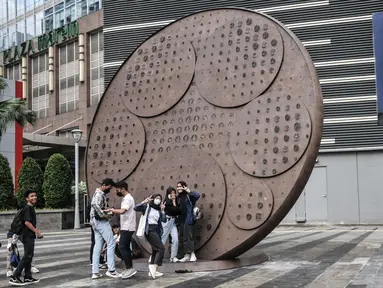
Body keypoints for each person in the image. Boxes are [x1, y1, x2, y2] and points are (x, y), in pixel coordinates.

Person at [9, 190, 42, 286]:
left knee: (29, 255)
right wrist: (37, 232)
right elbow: (27, 222)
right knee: (27, 256)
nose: (34, 197)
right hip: (27, 235)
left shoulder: (30, 208)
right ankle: (15, 276)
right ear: (27, 198)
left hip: (28, 235)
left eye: (35, 195)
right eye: (31, 196)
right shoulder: (28, 208)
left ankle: (27, 277)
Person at [105, 181, 137, 279]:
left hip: (128, 227)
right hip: (126, 226)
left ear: (123, 188)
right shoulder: (126, 198)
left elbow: (123, 211)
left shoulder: (128, 199)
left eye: (117, 189)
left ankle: (130, 268)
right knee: (124, 247)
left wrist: (112, 210)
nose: (117, 191)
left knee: (123, 246)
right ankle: (128, 268)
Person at [90, 178, 121, 280]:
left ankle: (95, 272)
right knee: (111, 242)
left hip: (95, 223)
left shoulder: (98, 194)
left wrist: (104, 211)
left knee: (97, 246)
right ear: (104, 185)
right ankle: (111, 270)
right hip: (101, 222)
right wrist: (104, 215)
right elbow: (95, 204)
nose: (109, 189)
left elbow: (96, 206)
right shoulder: (99, 194)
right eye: (109, 187)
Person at [134, 194, 166, 279]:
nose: (158, 200)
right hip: (149, 230)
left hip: (156, 230)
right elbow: (135, 208)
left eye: (159, 199)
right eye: (156, 198)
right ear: (153, 199)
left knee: (155, 249)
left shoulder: (158, 210)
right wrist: (144, 202)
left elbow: (164, 220)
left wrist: (163, 210)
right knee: (161, 248)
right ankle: (154, 266)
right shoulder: (147, 207)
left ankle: (153, 270)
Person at [175, 181, 200, 262]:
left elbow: (197, 195)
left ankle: (193, 254)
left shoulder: (189, 196)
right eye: (178, 186)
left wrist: (189, 191)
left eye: (180, 186)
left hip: (188, 219)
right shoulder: (177, 198)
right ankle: (187, 255)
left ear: (184, 187)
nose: (179, 188)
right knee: (182, 238)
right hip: (180, 220)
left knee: (189, 237)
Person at [162, 186, 181, 263]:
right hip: (167, 221)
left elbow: (178, 211)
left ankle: (173, 256)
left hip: (173, 222)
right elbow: (174, 210)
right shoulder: (166, 202)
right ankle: (154, 256)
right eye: (171, 193)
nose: (173, 194)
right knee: (162, 240)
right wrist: (173, 203)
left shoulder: (175, 201)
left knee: (175, 239)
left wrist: (174, 202)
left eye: (174, 193)